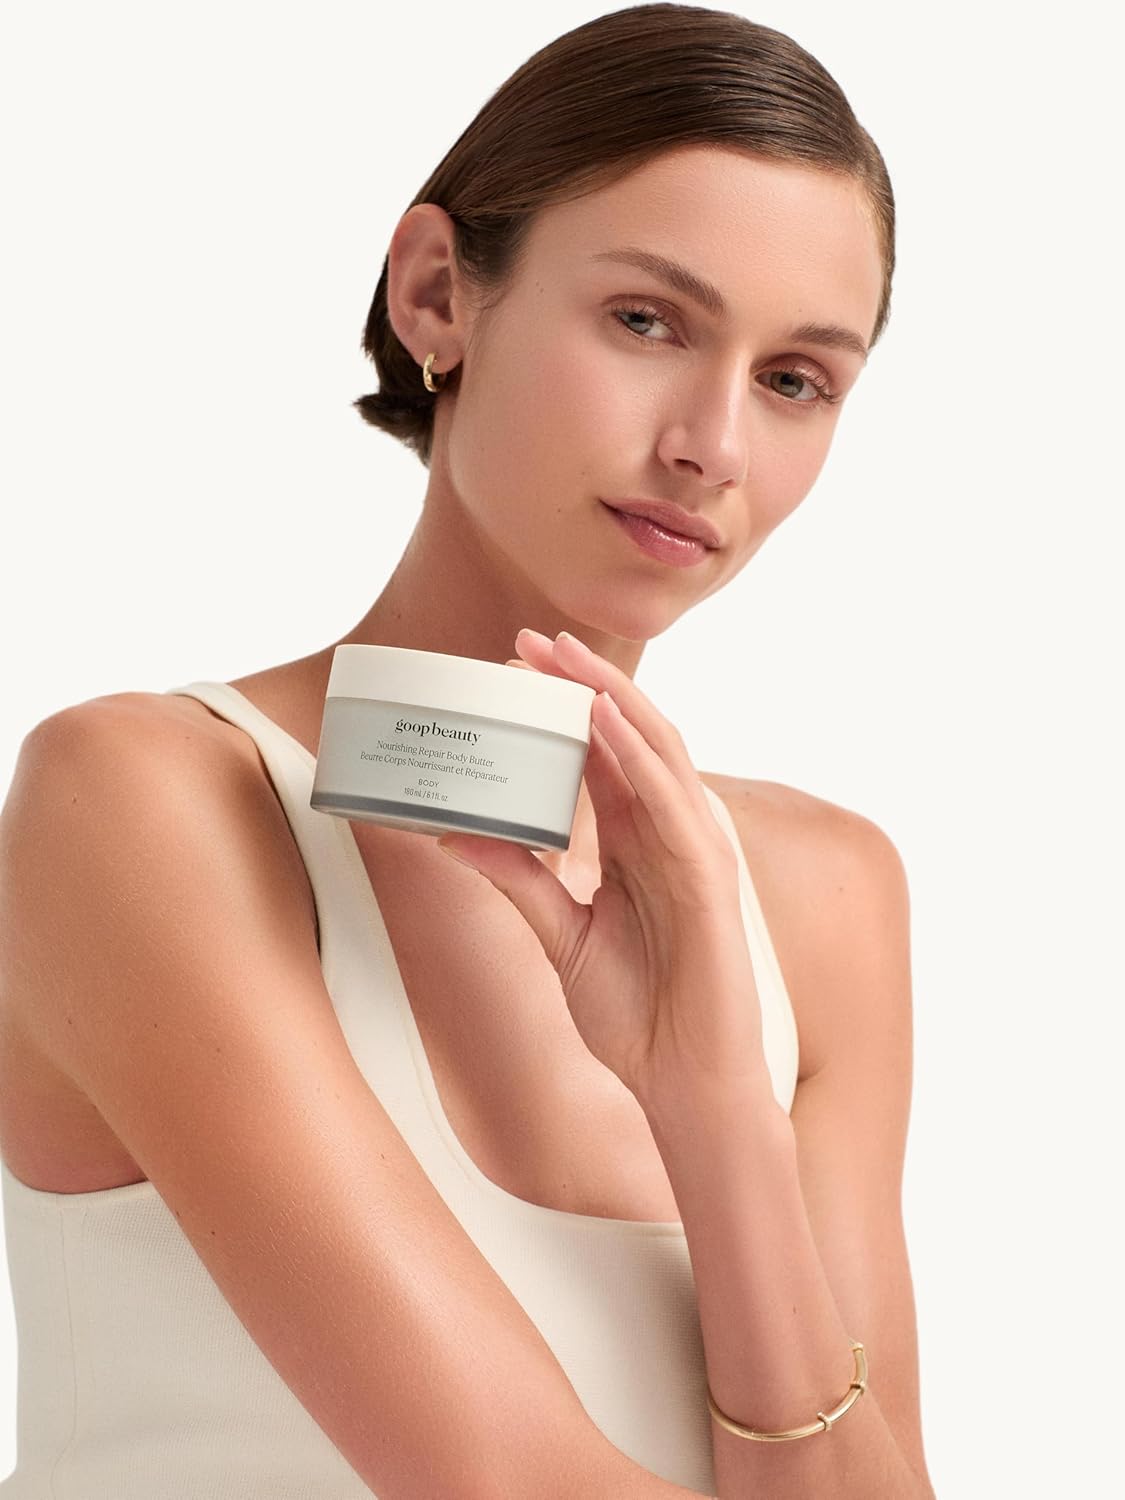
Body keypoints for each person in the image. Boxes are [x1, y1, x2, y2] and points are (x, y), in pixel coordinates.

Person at [0, 5, 936, 1497]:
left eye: (793, 380)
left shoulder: (820, 897)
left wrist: (712, 1108)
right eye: (646, 321)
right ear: (437, 293)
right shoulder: (147, 803)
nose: (710, 445)